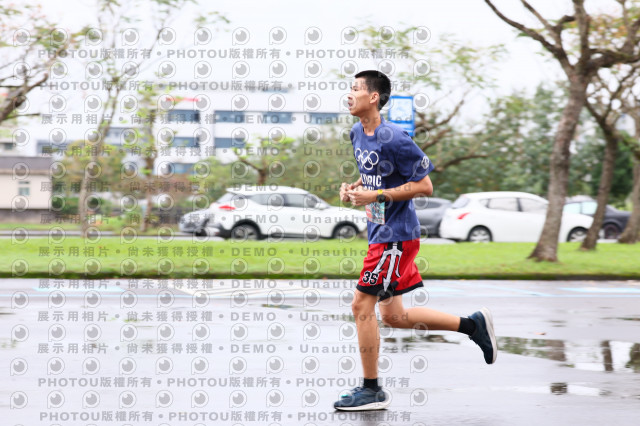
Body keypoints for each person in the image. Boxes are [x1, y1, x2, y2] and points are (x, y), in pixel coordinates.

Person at [333, 70, 497, 411]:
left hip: (396, 238)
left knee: (360, 305)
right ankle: (473, 325)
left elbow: (425, 186)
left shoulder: (395, 137)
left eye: (355, 89)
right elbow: (374, 175)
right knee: (393, 316)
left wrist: (376, 195)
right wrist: (355, 189)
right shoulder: (356, 133)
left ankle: (371, 390)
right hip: (379, 233)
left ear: (373, 97)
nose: (349, 94)